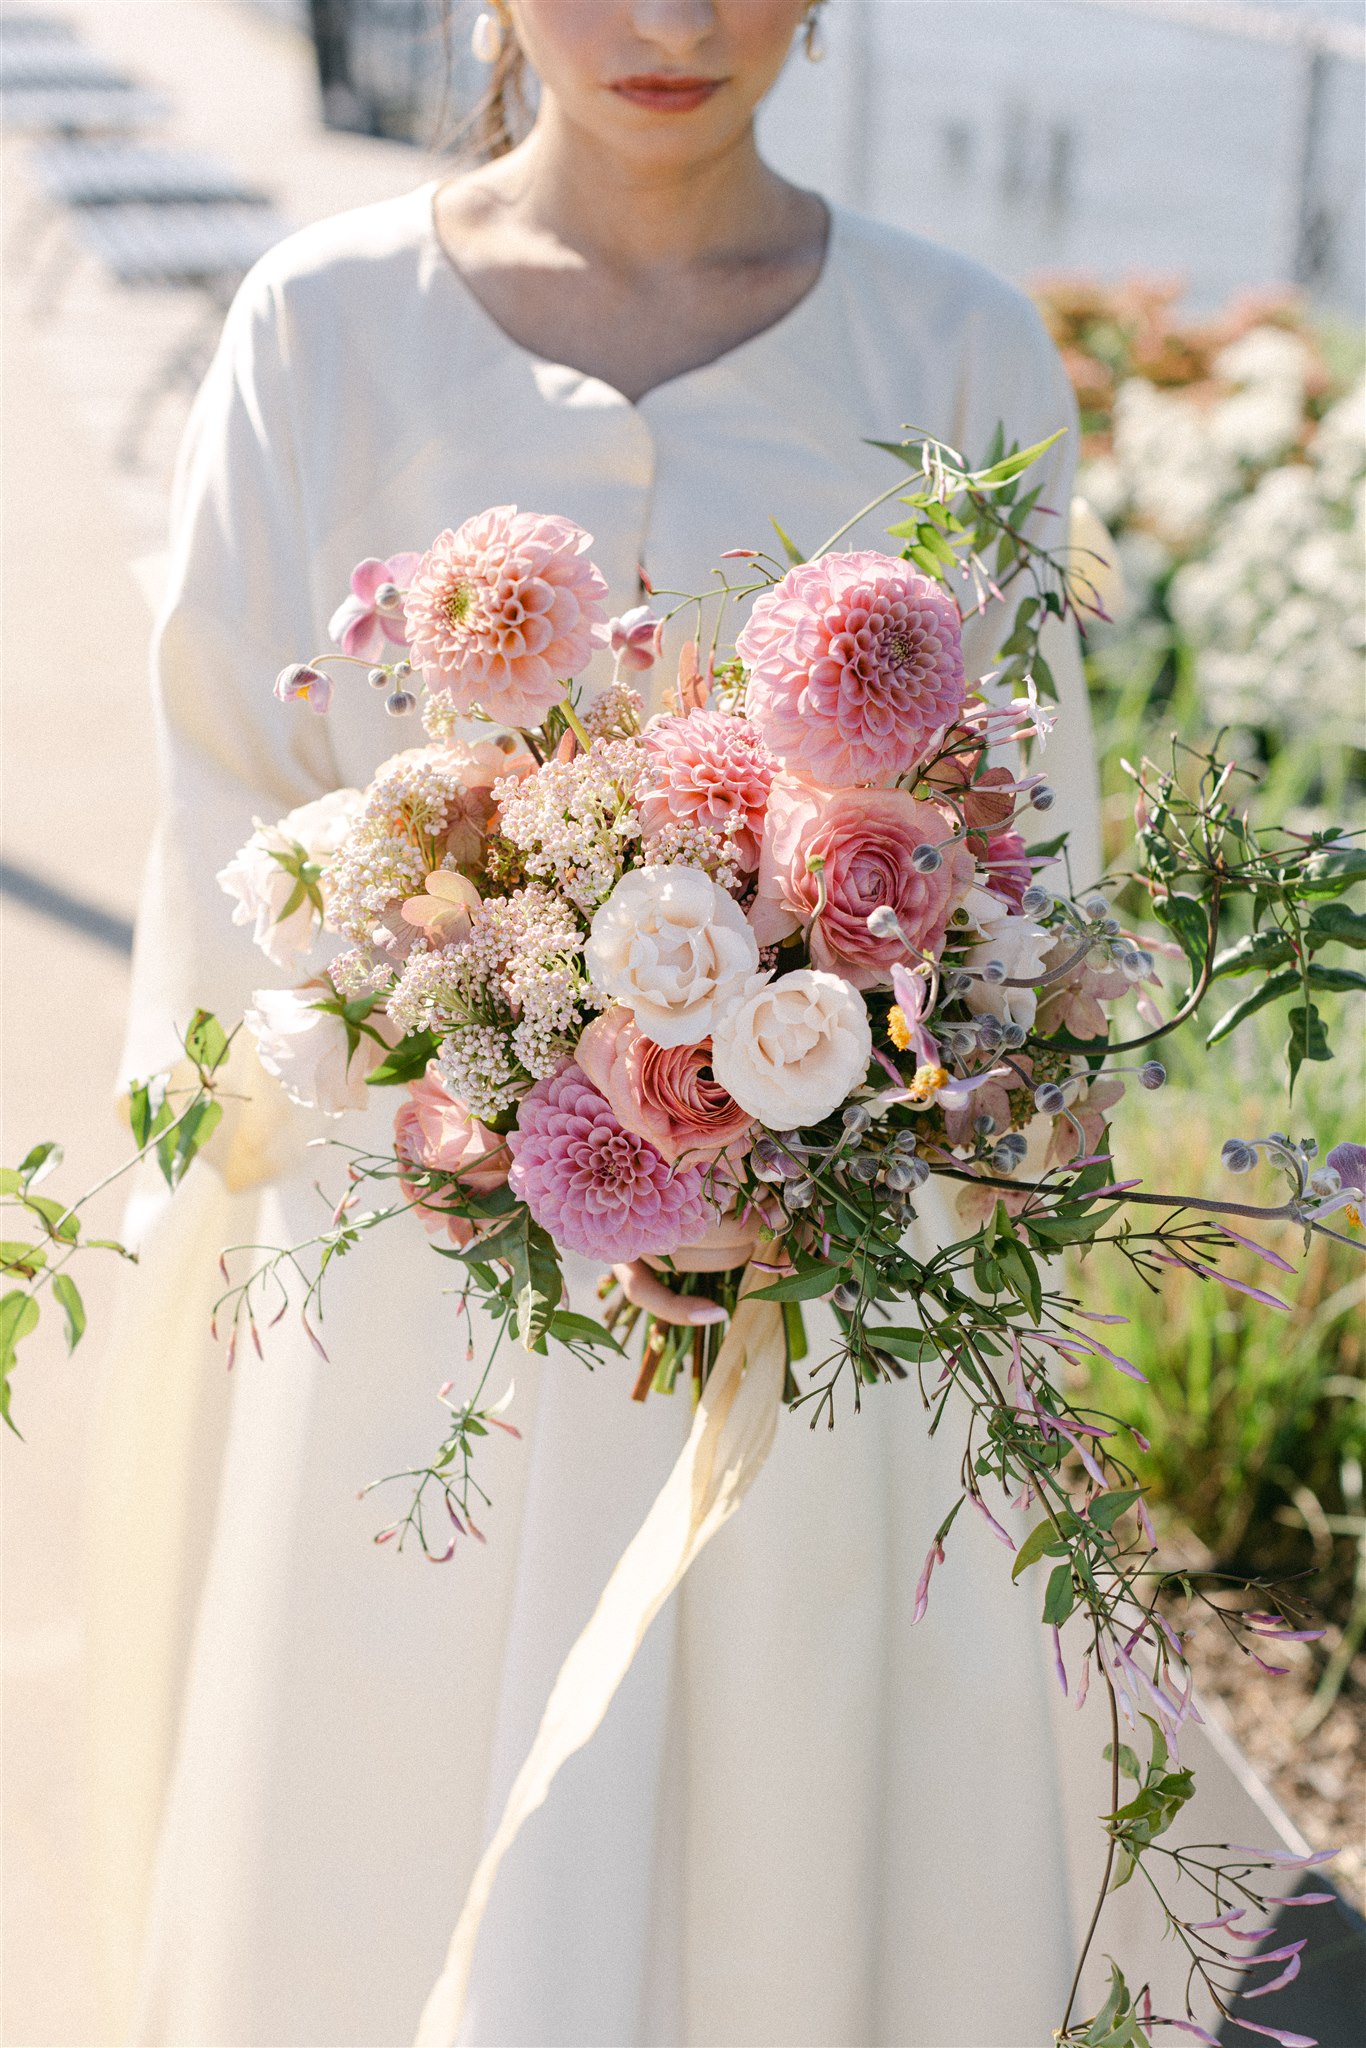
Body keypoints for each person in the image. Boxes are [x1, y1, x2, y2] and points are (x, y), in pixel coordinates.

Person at [95, 3, 1110, 2042]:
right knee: (380, 1876)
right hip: (413, 1315)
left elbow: (1032, 883)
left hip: (820, 1325)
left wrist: (840, 1125)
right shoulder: (324, 326)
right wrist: (444, 1087)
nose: (668, 22)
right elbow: (228, 822)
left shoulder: (955, 347)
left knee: (777, 1872)